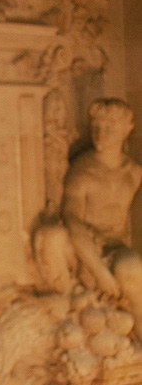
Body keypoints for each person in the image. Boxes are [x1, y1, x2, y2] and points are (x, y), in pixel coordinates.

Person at [34, 98, 142, 338]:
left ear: (128, 128)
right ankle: (70, 305)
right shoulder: (82, 171)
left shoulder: (134, 173)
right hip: (83, 250)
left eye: (110, 127)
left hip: (114, 246)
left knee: (132, 266)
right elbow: (73, 222)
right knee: (52, 236)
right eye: (96, 127)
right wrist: (100, 271)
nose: (101, 134)